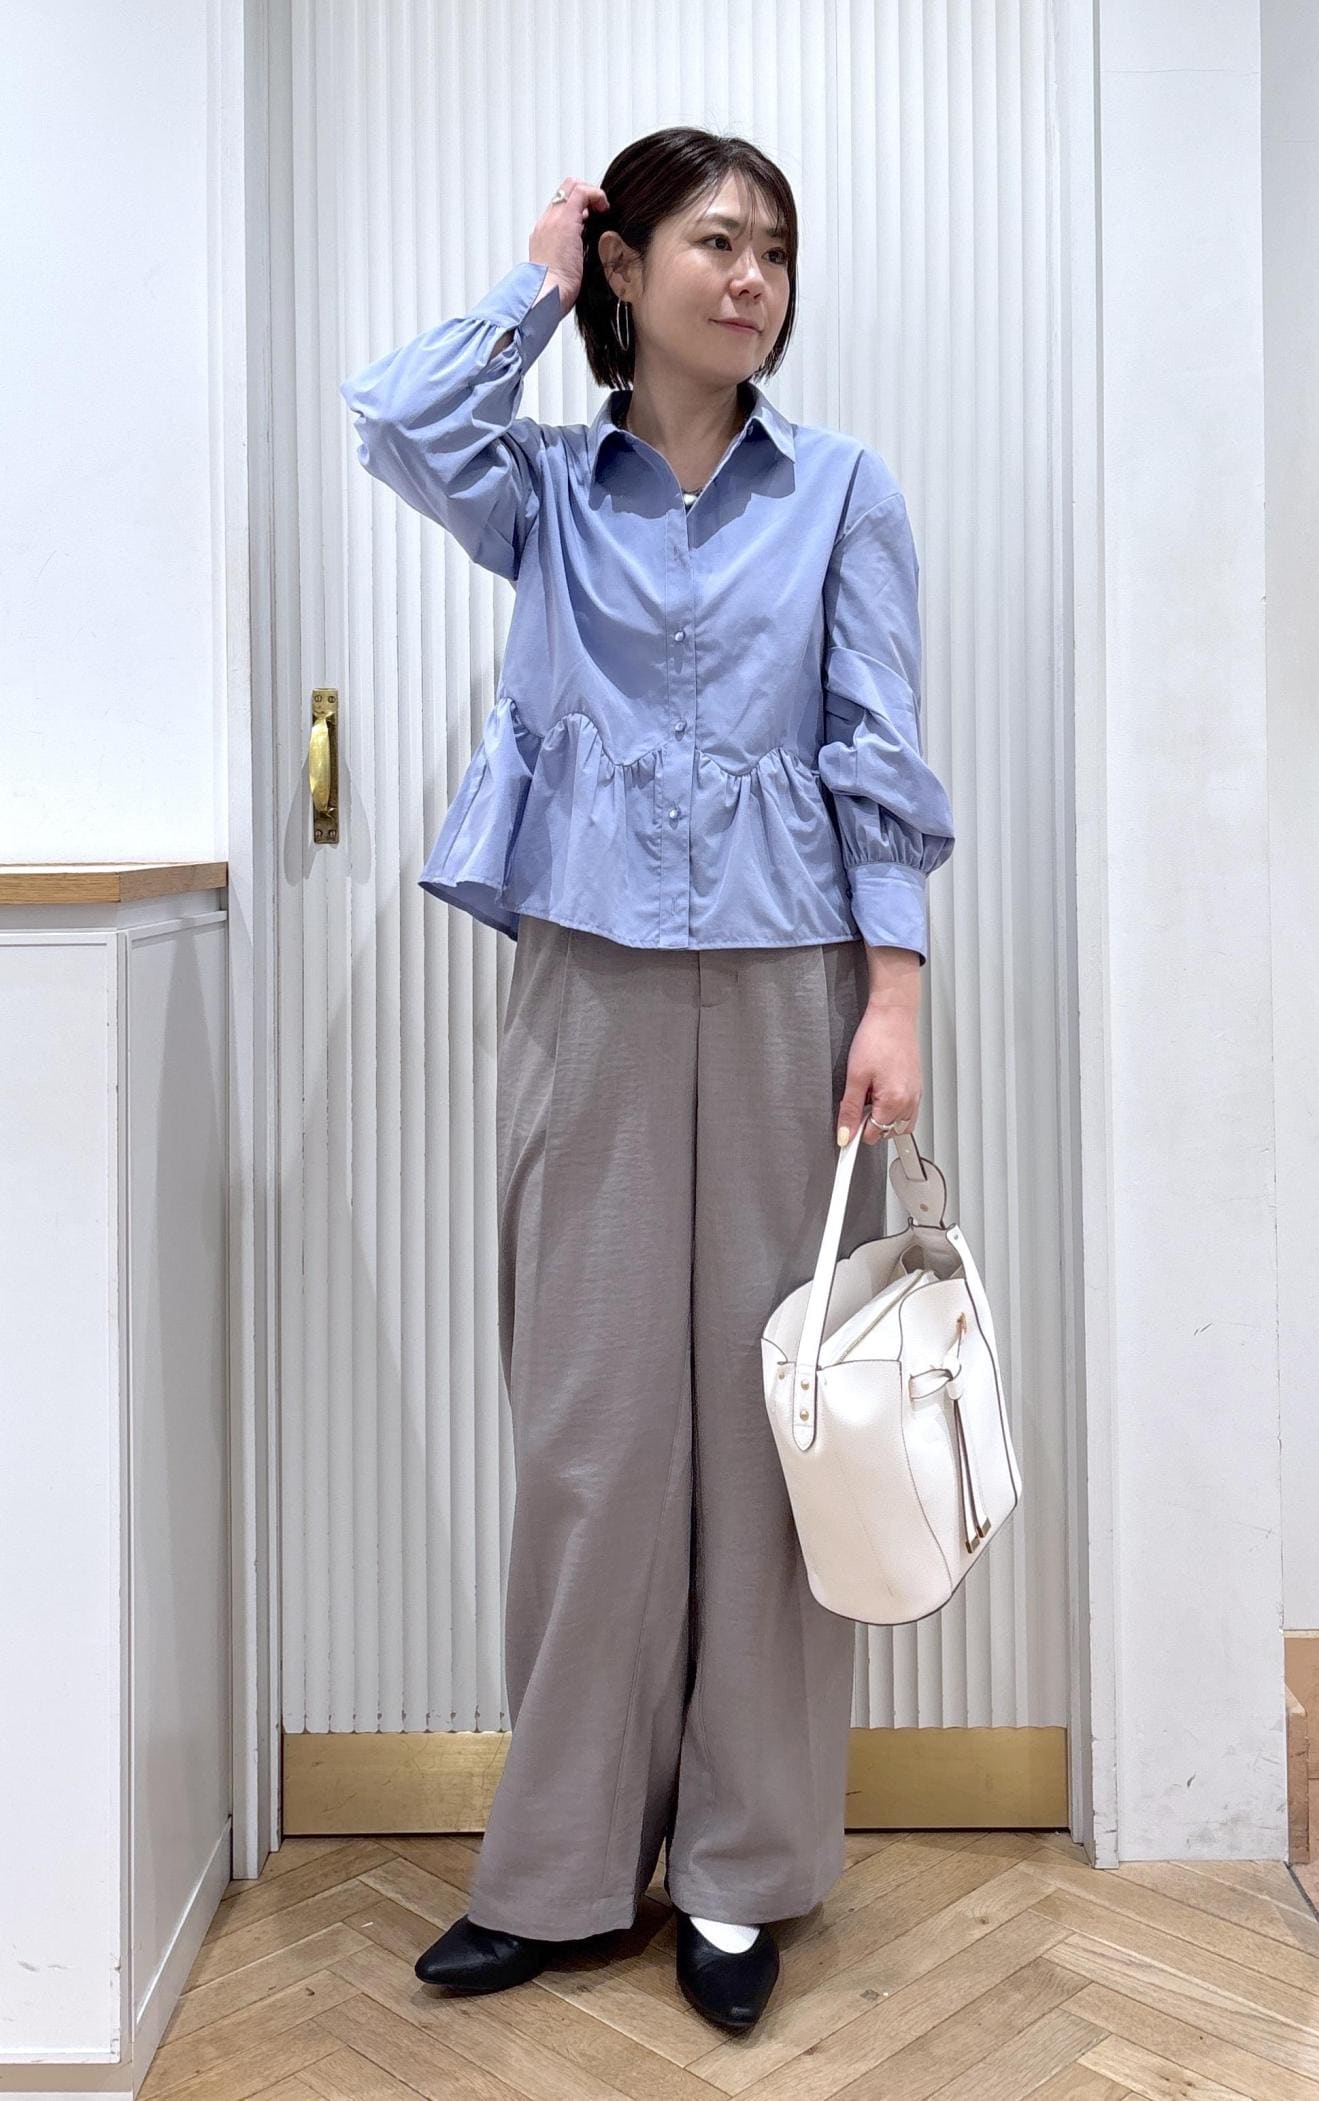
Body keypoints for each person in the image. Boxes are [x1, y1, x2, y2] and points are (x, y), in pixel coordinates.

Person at [337, 125, 956, 2033]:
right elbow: (396, 420)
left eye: (775, 249)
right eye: (713, 242)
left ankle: (745, 1877)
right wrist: (536, 282)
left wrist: (895, 993)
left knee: (775, 1439)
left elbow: (877, 745)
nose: (752, 278)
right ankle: (561, 1868)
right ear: (630, 266)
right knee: (591, 1434)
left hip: (789, 987)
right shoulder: (545, 486)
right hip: (588, 976)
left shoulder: (842, 490)